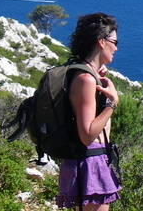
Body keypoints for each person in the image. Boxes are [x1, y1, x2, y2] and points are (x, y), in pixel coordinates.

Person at [57, 13, 122, 210]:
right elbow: (86, 134)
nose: (116, 48)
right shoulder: (85, 79)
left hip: (88, 162)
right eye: (114, 41)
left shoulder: (82, 73)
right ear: (101, 42)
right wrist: (112, 103)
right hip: (89, 165)